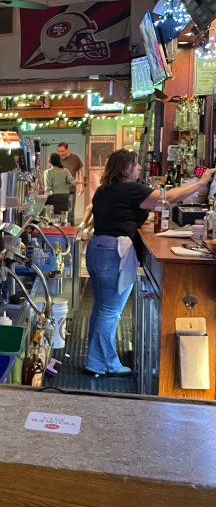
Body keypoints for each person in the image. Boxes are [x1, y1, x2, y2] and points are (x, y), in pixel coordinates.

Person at [85, 150, 214, 377]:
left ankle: (98, 360)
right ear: (125, 169)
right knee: (110, 310)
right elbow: (168, 198)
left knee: (102, 308)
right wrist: (201, 182)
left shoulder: (105, 190)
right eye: (135, 165)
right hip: (114, 251)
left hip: (97, 249)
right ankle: (102, 364)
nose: (138, 169)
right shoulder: (130, 189)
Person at [57, 141, 83, 221]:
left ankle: (70, 230)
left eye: (62, 151)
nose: (61, 153)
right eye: (59, 151)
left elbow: (80, 172)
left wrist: (81, 186)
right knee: (59, 212)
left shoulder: (75, 158)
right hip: (58, 190)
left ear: (67, 149)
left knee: (70, 212)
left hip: (71, 190)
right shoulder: (57, 159)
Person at [43, 152, 74, 216]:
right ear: (59, 160)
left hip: (53, 197)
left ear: (50, 161)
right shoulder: (66, 171)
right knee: (63, 217)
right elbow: (72, 181)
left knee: (51, 216)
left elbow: (48, 188)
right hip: (65, 198)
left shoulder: (48, 172)